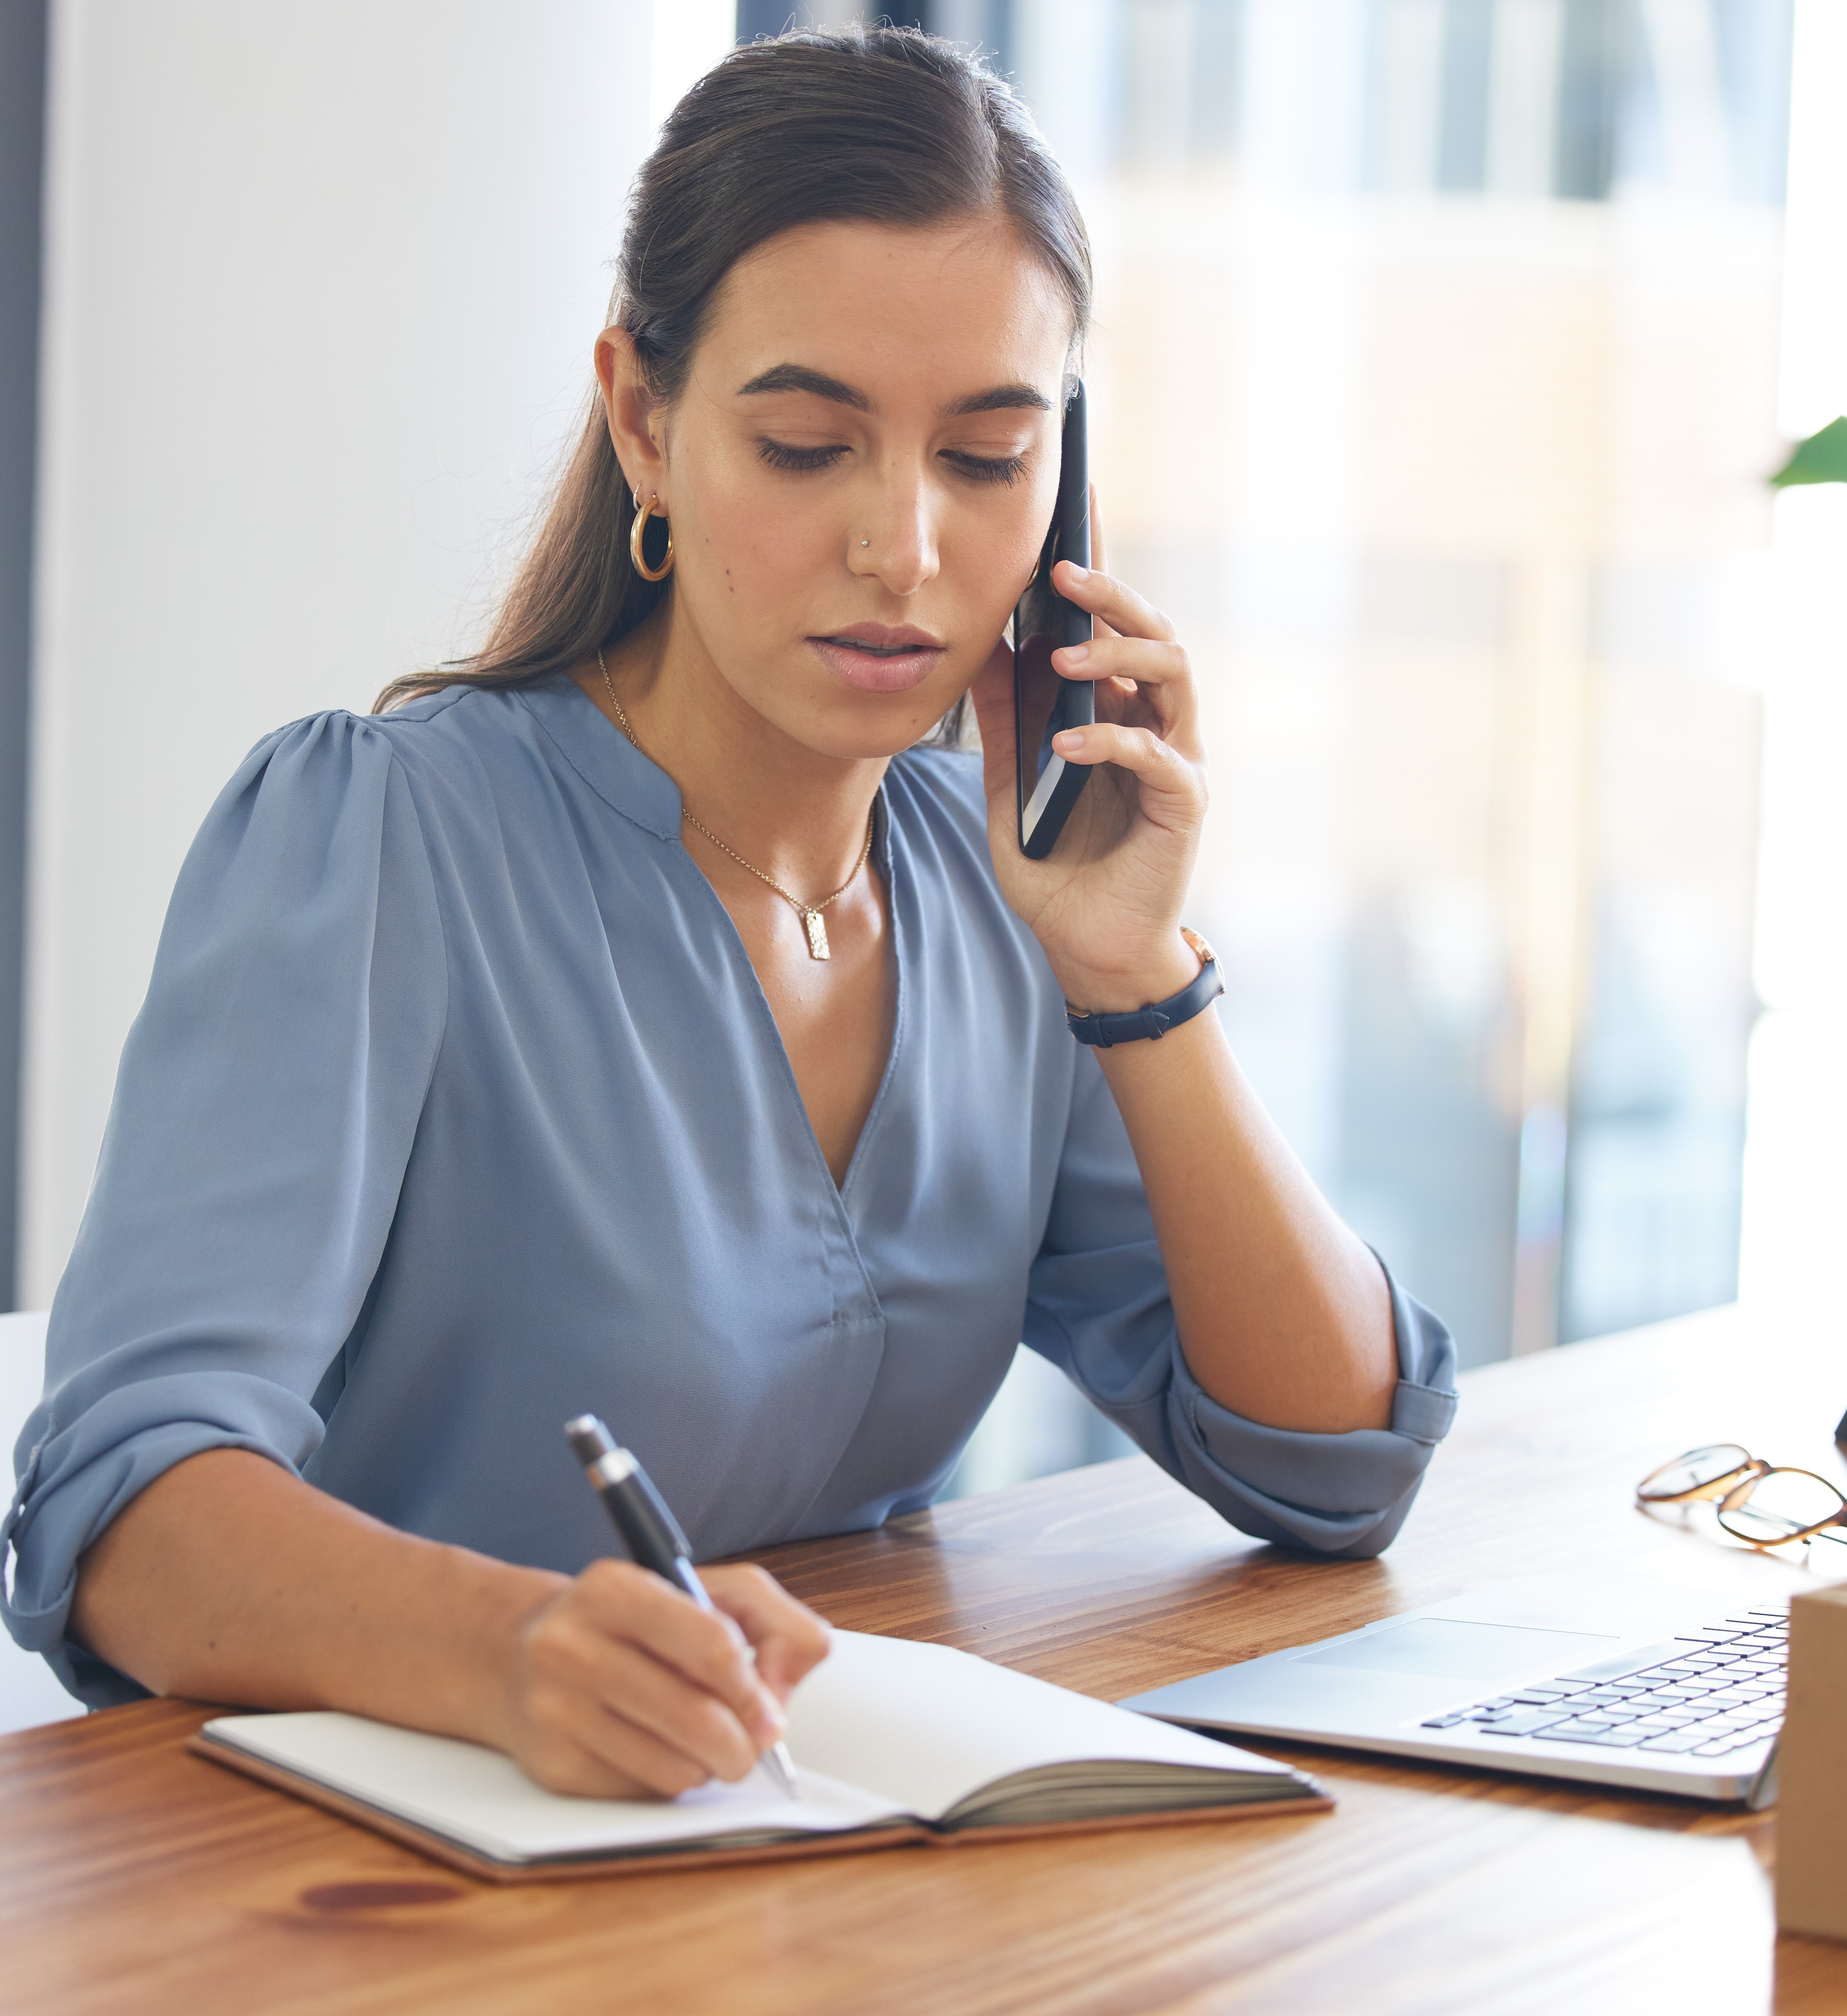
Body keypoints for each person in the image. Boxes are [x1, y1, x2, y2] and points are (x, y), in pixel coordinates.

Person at [3, 28, 1457, 1800]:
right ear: (645, 423)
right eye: (803, 444)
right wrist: (508, 1648)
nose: (903, 548)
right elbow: (120, 1505)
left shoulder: (995, 893)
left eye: (987, 459)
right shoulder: (383, 836)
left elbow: (1331, 1464)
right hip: (360, 1887)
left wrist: (1135, 970)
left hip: (788, 1856)